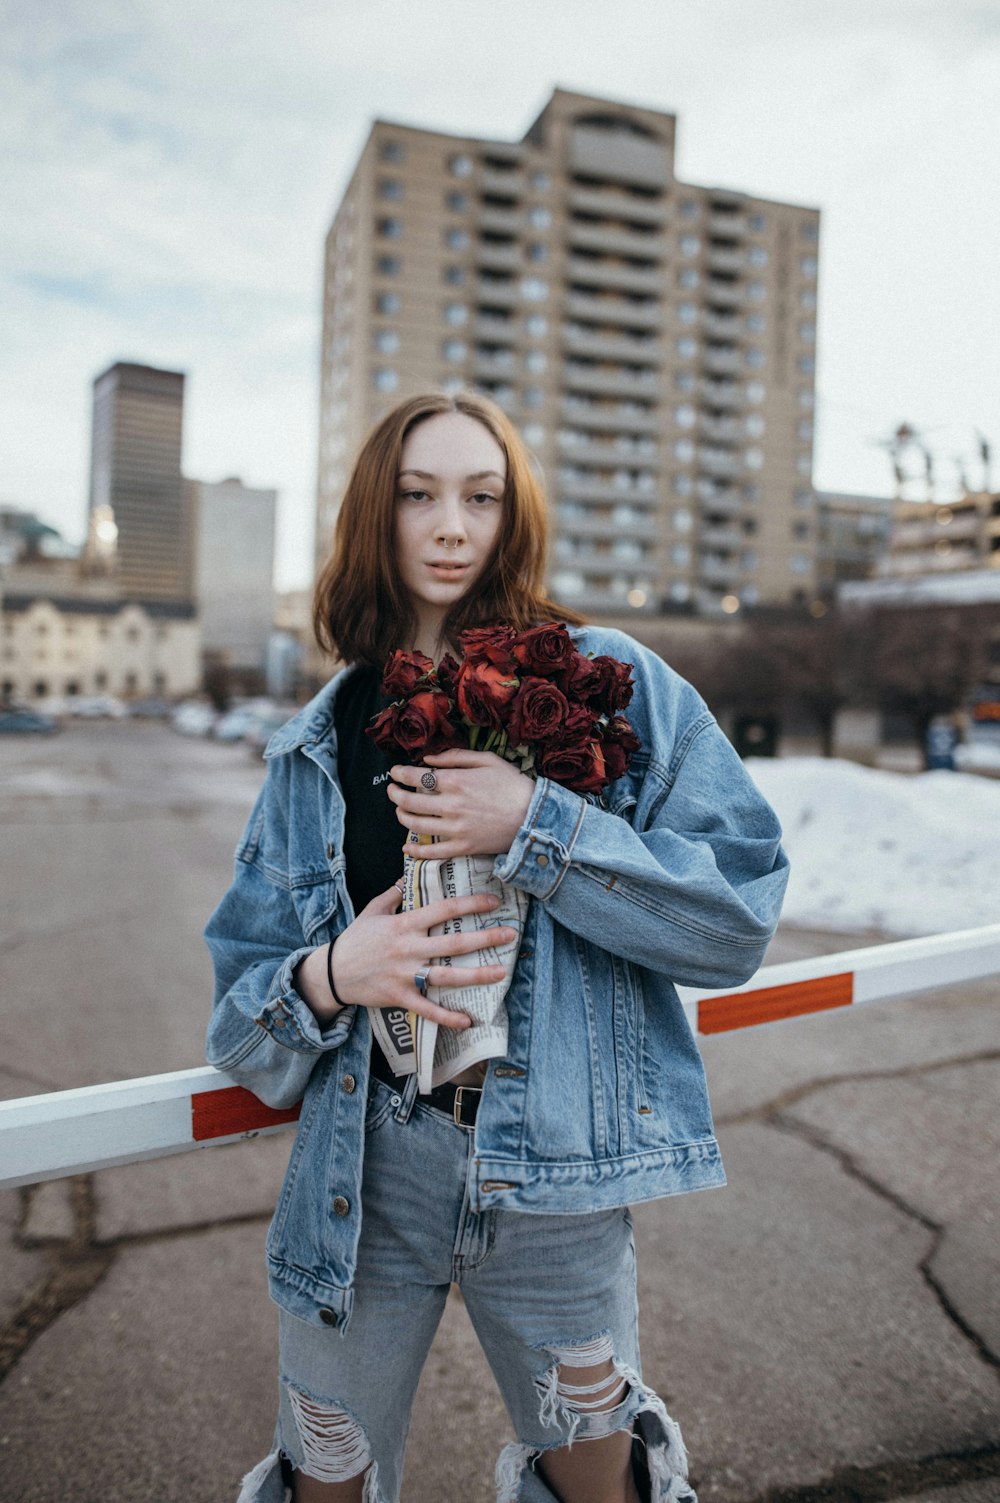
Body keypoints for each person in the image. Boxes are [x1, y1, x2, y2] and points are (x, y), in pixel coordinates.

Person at [205, 391, 789, 1503]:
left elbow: (737, 916)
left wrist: (540, 826)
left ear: (512, 515)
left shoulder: (609, 685)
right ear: (374, 515)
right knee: (325, 1485)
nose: (448, 526)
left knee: (598, 1492)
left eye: (481, 496)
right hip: (362, 1181)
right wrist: (333, 977)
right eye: (417, 495)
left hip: (553, 1182)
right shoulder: (313, 745)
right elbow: (242, 1016)